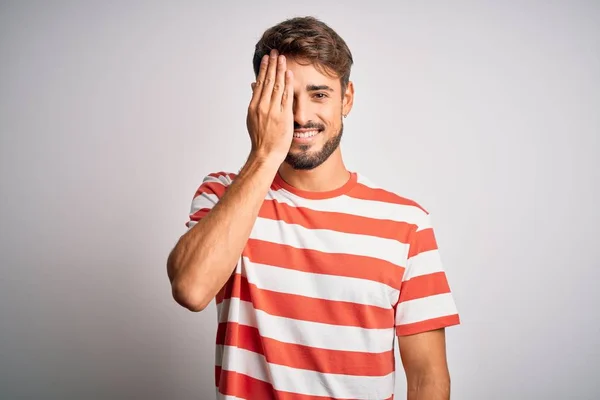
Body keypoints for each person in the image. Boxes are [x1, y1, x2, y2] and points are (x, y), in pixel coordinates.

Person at [167, 16, 460, 400]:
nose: (302, 115)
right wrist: (265, 153)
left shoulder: (407, 225)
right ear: (260, 100)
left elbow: (427, 379)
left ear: (347, 98)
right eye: (285, 96)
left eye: (319, 94)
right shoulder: (224, 194)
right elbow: (191, 289)